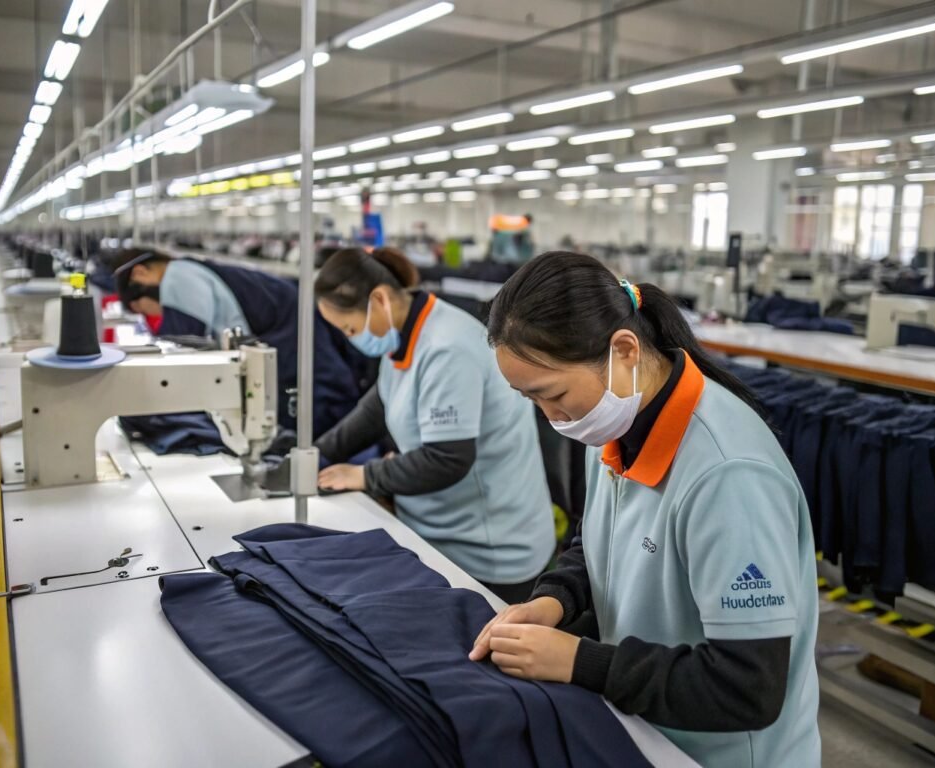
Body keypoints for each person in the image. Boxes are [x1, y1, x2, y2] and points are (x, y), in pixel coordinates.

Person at [469, 251, 820, 768]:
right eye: (531, 401)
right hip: (647, 730)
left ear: (624, 350)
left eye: (553, 394)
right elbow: (600, 542)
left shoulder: (728, 475)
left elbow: (750, 688)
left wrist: (579, 660)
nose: (551, 418)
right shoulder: (614, 423)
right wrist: (553, 602)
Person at [312, 246, 556, 603]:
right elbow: (377, 407)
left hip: (488, 551)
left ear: (379, 299)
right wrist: (317, 453)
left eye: (350, 329)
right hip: (435, 528)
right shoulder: (404, 335)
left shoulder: (446, 349)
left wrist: (364, 475)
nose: (351, 339)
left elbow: (447, 458)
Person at [113, 247, 370, 438]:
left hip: (288, 331)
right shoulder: (192, 270)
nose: (153, 315)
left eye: (143, 308)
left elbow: (181, 347)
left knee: (315, 399)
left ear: (140, 272)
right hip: (284, 323)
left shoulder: (178, 278)